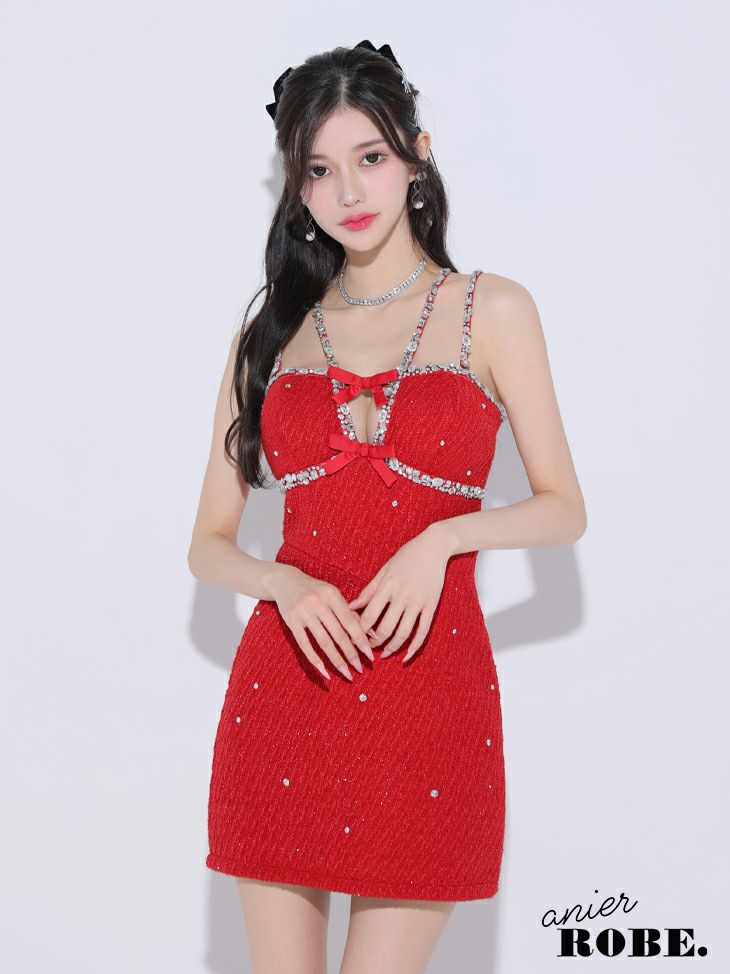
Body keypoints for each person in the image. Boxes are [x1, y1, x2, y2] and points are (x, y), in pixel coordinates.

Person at [188, 39, 587, 974]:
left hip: (427, 688)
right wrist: (282, 582)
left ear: (417, 154)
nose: (348, 191)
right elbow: (208, 543)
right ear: (297, 188)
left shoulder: (491, 309)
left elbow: (563, 508)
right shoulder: (271, 332)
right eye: (318, 169)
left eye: (369, 156)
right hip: (286, 687)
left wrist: (444, 537)